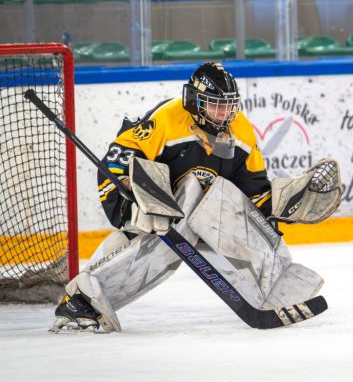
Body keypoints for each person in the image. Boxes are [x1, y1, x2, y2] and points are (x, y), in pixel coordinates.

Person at [50, 63, 314, 332]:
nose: (223, 113)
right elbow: (116, 161)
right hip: (161, 211)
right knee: (145, 241)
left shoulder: (241, 130)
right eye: (215, 105)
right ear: (194, 100)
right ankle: (81, 300)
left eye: (228, 106)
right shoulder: (167, 119)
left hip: (207, 214)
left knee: (242, 221)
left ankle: (274, 288)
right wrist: (132, 202)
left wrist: (282, 207)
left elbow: (253, 190)